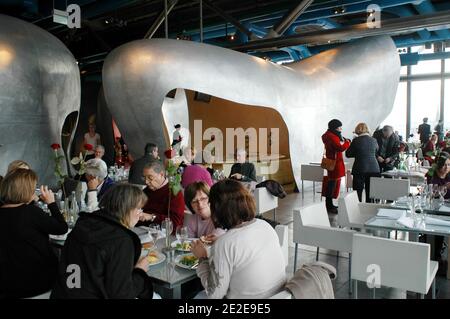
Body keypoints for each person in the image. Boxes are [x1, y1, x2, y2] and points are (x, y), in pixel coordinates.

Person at [51, 184, 154, 298]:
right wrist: (140, 272)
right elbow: (121, 294)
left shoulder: (83, 224)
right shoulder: (121, 240)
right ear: (126, 208)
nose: (140, 214)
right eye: (139, 209)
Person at [190, 179, 286, 299]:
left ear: (218, 210)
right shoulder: (265, 225)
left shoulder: (225, 244)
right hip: (278, 295)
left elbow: (214, 294)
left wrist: (202, 259)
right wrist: (221, 240)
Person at [0, 169, 68, 298]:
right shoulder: (32, 213)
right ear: (27, 190)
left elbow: (18, 216)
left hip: (6, 283)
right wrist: (51, 203)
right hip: (36, 282)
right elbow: (62, 228)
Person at [138, 160, 185, 232]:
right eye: (144, 178)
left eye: (150, 178)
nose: (146, 182)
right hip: (144, 230)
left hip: (165, 234)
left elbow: (175, 223)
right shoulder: (146, 191)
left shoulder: (174, 192)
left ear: (161, 174)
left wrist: (151, 217)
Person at [345, 123, 380, 203]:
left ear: (357, 130)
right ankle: (369, 209)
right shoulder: (374, 140)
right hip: (374, 168)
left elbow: (348, 154)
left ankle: (357, 209)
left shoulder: (356, 140)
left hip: (360, 168)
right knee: (370, 192)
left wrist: (357, 153)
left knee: (358, 191)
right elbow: (376, 151)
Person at [321, 119, 350, 213]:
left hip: (333, 162)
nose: (341, 128)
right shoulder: (332, 136)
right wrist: (348, 142)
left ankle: (330, 204)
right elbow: (340, 148)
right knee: (332, 184)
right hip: (335, 163)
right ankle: (329, 206)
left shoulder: (329, 135)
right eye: (339, 127)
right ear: (335, 127)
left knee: (332, 183)